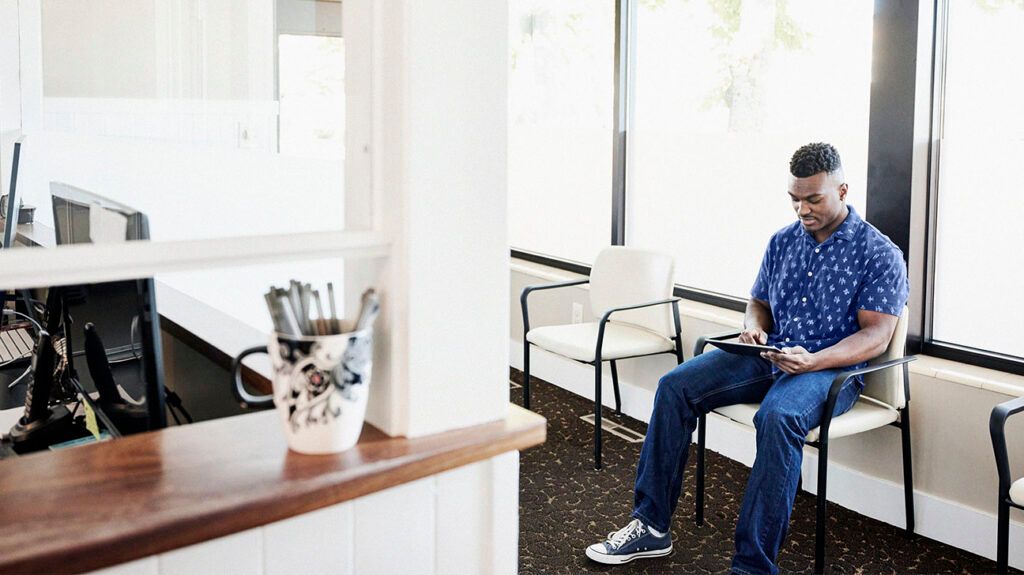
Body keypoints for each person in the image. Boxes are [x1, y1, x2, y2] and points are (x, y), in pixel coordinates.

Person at [585, 143, 909, 574]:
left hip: (831, 370)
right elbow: (758, 302)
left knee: (777, 417)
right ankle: (650, 525)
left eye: (813, 199)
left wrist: (813, 361)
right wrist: (754, 327)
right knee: (675, 386)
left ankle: (752, 567)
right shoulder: (782, 241)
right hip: (769, 353)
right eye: (795, 199)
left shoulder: (879, 253)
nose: (802, 210)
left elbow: (877, 335)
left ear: (842, 191)